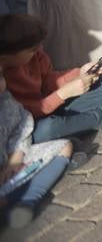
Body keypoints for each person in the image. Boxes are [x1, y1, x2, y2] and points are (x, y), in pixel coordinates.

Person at [0, 14, 102, 142]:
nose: (39, 50)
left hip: (52, 106)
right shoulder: (3, 79)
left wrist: (79, 74)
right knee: (47, 129)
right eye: (33, 50)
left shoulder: (36, 57)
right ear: (7, 56)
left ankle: (74, 124)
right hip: (26, 125)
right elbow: (24, 116)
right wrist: (63, 94)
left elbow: (48, 81)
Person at [0, 71, 78, 229]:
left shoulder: (6, 102)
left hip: (10, 166)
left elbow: (22, 125)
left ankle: (27, 200)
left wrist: (15, 158)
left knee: (64, 146)